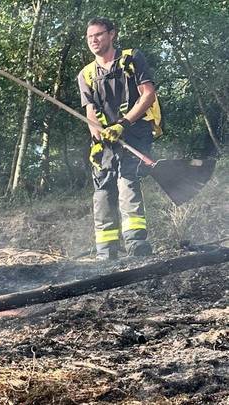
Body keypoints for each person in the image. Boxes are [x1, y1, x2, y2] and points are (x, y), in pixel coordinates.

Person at [77, 17, 157, 260]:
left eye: (98, 35)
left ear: (112, 34)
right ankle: (106, 251)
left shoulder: (131, 59)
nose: (94, 40)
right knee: (102, 191)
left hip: (134, 132)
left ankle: (135, 244)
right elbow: (90, 111)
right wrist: (98, 137)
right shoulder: (86, 74)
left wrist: (123, 124)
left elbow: (148, 95)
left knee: (126, 181)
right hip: (105, 141)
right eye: (90, 37)